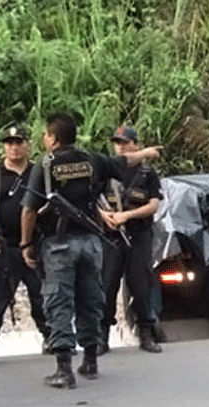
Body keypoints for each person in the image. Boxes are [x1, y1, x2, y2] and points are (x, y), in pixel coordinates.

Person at [20, 113, 159, 388]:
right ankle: (90, 360)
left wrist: (26, 244)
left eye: (46, 134)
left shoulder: (46, 165)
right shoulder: (92, 160)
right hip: (91, 243)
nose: (44, 138)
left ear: (54, 138)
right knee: (90, 299)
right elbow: (124, 161)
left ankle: (64, 369)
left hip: (59, 244)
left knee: (59, 301)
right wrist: (145, 153)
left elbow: (29, 210)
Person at [0, 125, 51, 369]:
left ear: (28, 144)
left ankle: (52, 339)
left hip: (35, 246)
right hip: (4, 247)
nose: (14, 147)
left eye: (19, 142)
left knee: (44, 296)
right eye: (9, 143)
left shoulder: (38, 171)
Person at [97, 126, 163, 355]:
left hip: (139, 234)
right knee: (106, 285)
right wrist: (105, 216)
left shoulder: (147, 173)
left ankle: (146, 333)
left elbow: (153, 205)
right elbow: (93, 201)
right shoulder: (107, 171)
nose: (120, 147)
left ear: (136, 144)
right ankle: (102, 337)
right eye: (117, 143)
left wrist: (127, 215)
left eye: (125, 142)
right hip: (111, 237)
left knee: (140, 284)